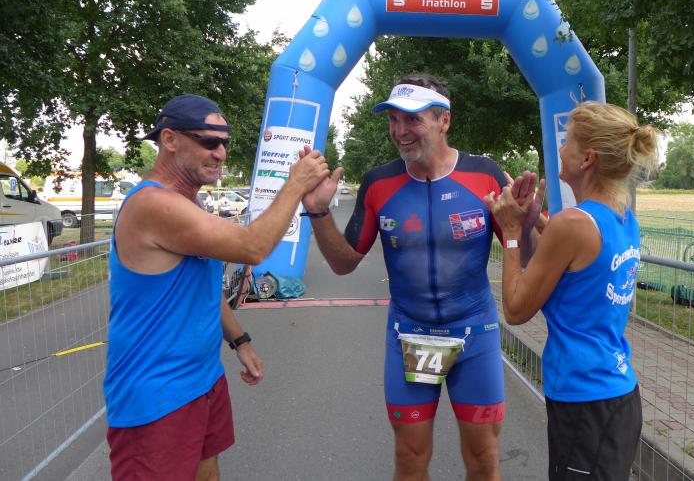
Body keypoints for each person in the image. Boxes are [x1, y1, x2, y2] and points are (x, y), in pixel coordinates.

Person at [300, 74, 535, 480]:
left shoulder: (484, 174)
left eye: (412, 119)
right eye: (393, 120)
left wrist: (525, 223)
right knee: (409, 457)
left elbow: (527, 256)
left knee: (484, 458)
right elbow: (343, 263)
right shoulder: (379, 182)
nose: (400, 131)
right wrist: (318, 212)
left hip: (474, 334)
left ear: (444, 121)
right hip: (410, 335)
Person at [104, 94, 329, 480]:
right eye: (209, 142)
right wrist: (295, 185)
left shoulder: (190, 203)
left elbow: (202, 286)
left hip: (203, 378)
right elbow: (252, 248)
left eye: (224, 143)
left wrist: (240, 341)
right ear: (170, 139)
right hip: (157, 394)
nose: (221, 153)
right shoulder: (153, 204)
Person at [485, 101, 658, 481]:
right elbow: (568, 260)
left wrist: (511, 231)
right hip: (616, 394)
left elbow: (515, 310)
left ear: (587, 158)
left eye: (567, 141)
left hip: (584, 401)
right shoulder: (622, 216)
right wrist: (533, 221)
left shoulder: (572, 225)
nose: (560, 149)